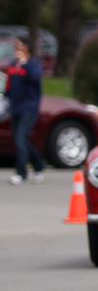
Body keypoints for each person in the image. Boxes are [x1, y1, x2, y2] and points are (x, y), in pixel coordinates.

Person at [4, 38, 46, 184]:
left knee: (20, 139)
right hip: (15, 108)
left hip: (29, 108)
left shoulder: (32, 65)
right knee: (21, 140)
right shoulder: (12, 65)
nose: (16, 48)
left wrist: (25, 64)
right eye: (14, 46)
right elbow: (9, 86)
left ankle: (21, 173)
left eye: (19, 45)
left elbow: (35, 78)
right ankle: (39, 165)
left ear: (26, 47)